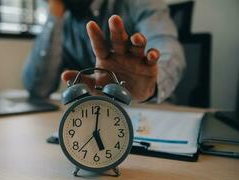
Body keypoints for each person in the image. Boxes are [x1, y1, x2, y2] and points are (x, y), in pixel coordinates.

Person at [22, 0, 185, 103]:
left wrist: (151, 86)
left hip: (151, 110)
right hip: (95, 115)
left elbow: (168, 48)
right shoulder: (63, 21)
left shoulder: (138, 3)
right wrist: (54, 14)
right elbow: (38, 88)